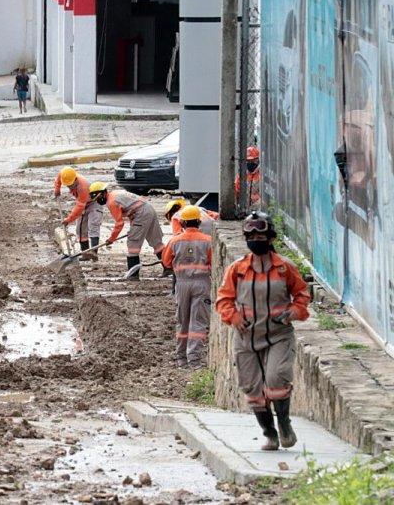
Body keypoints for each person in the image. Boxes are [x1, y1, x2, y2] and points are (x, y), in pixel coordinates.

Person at [216, 211, 311, 451]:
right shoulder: (237, 270)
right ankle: (270, 434)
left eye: (260, 234)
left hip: (278, 335)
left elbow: (302, 295)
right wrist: (234, 317)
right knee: (253, 390)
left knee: (277, 380)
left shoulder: (284, 268)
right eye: (250, 235)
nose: (255, 239)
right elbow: (223, 300)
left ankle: (285, 426)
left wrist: (293, 311)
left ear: (270, 238)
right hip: (247, 338)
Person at [161, 206, 213, 367]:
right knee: (198, 321)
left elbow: (166, 262)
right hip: (202, 283)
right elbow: (213, 262)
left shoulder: (175, 241)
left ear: (182, 222)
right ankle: (194, 359)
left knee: (182, 320)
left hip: (182, 284)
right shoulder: (208, 241)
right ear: (199, 221)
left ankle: (181, 358)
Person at [89, 182, 166, 280]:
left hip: (141, 213)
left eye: (98, 198)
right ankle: (168, 267)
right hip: (148, 209)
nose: (98, 201)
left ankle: (133, 275)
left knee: (133, 242)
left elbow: (119, 223)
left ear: (103, 193)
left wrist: (111, 239)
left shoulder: (112, 202)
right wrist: (132, 227)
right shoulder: (115, 194)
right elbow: (132, 210)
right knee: (156, 241)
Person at [54, 167, 103, 261]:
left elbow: (79, 208)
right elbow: (58, 179)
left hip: (95, 202)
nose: (68, 187)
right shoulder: (65, 174)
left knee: (93, 226)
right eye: (67, 185)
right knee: (80, 229)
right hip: (83, 202)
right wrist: (57, 189)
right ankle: (85, 254)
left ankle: (93, 253)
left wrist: (69, 219)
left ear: (75, 179)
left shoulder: (82, 187)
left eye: (70, 185)